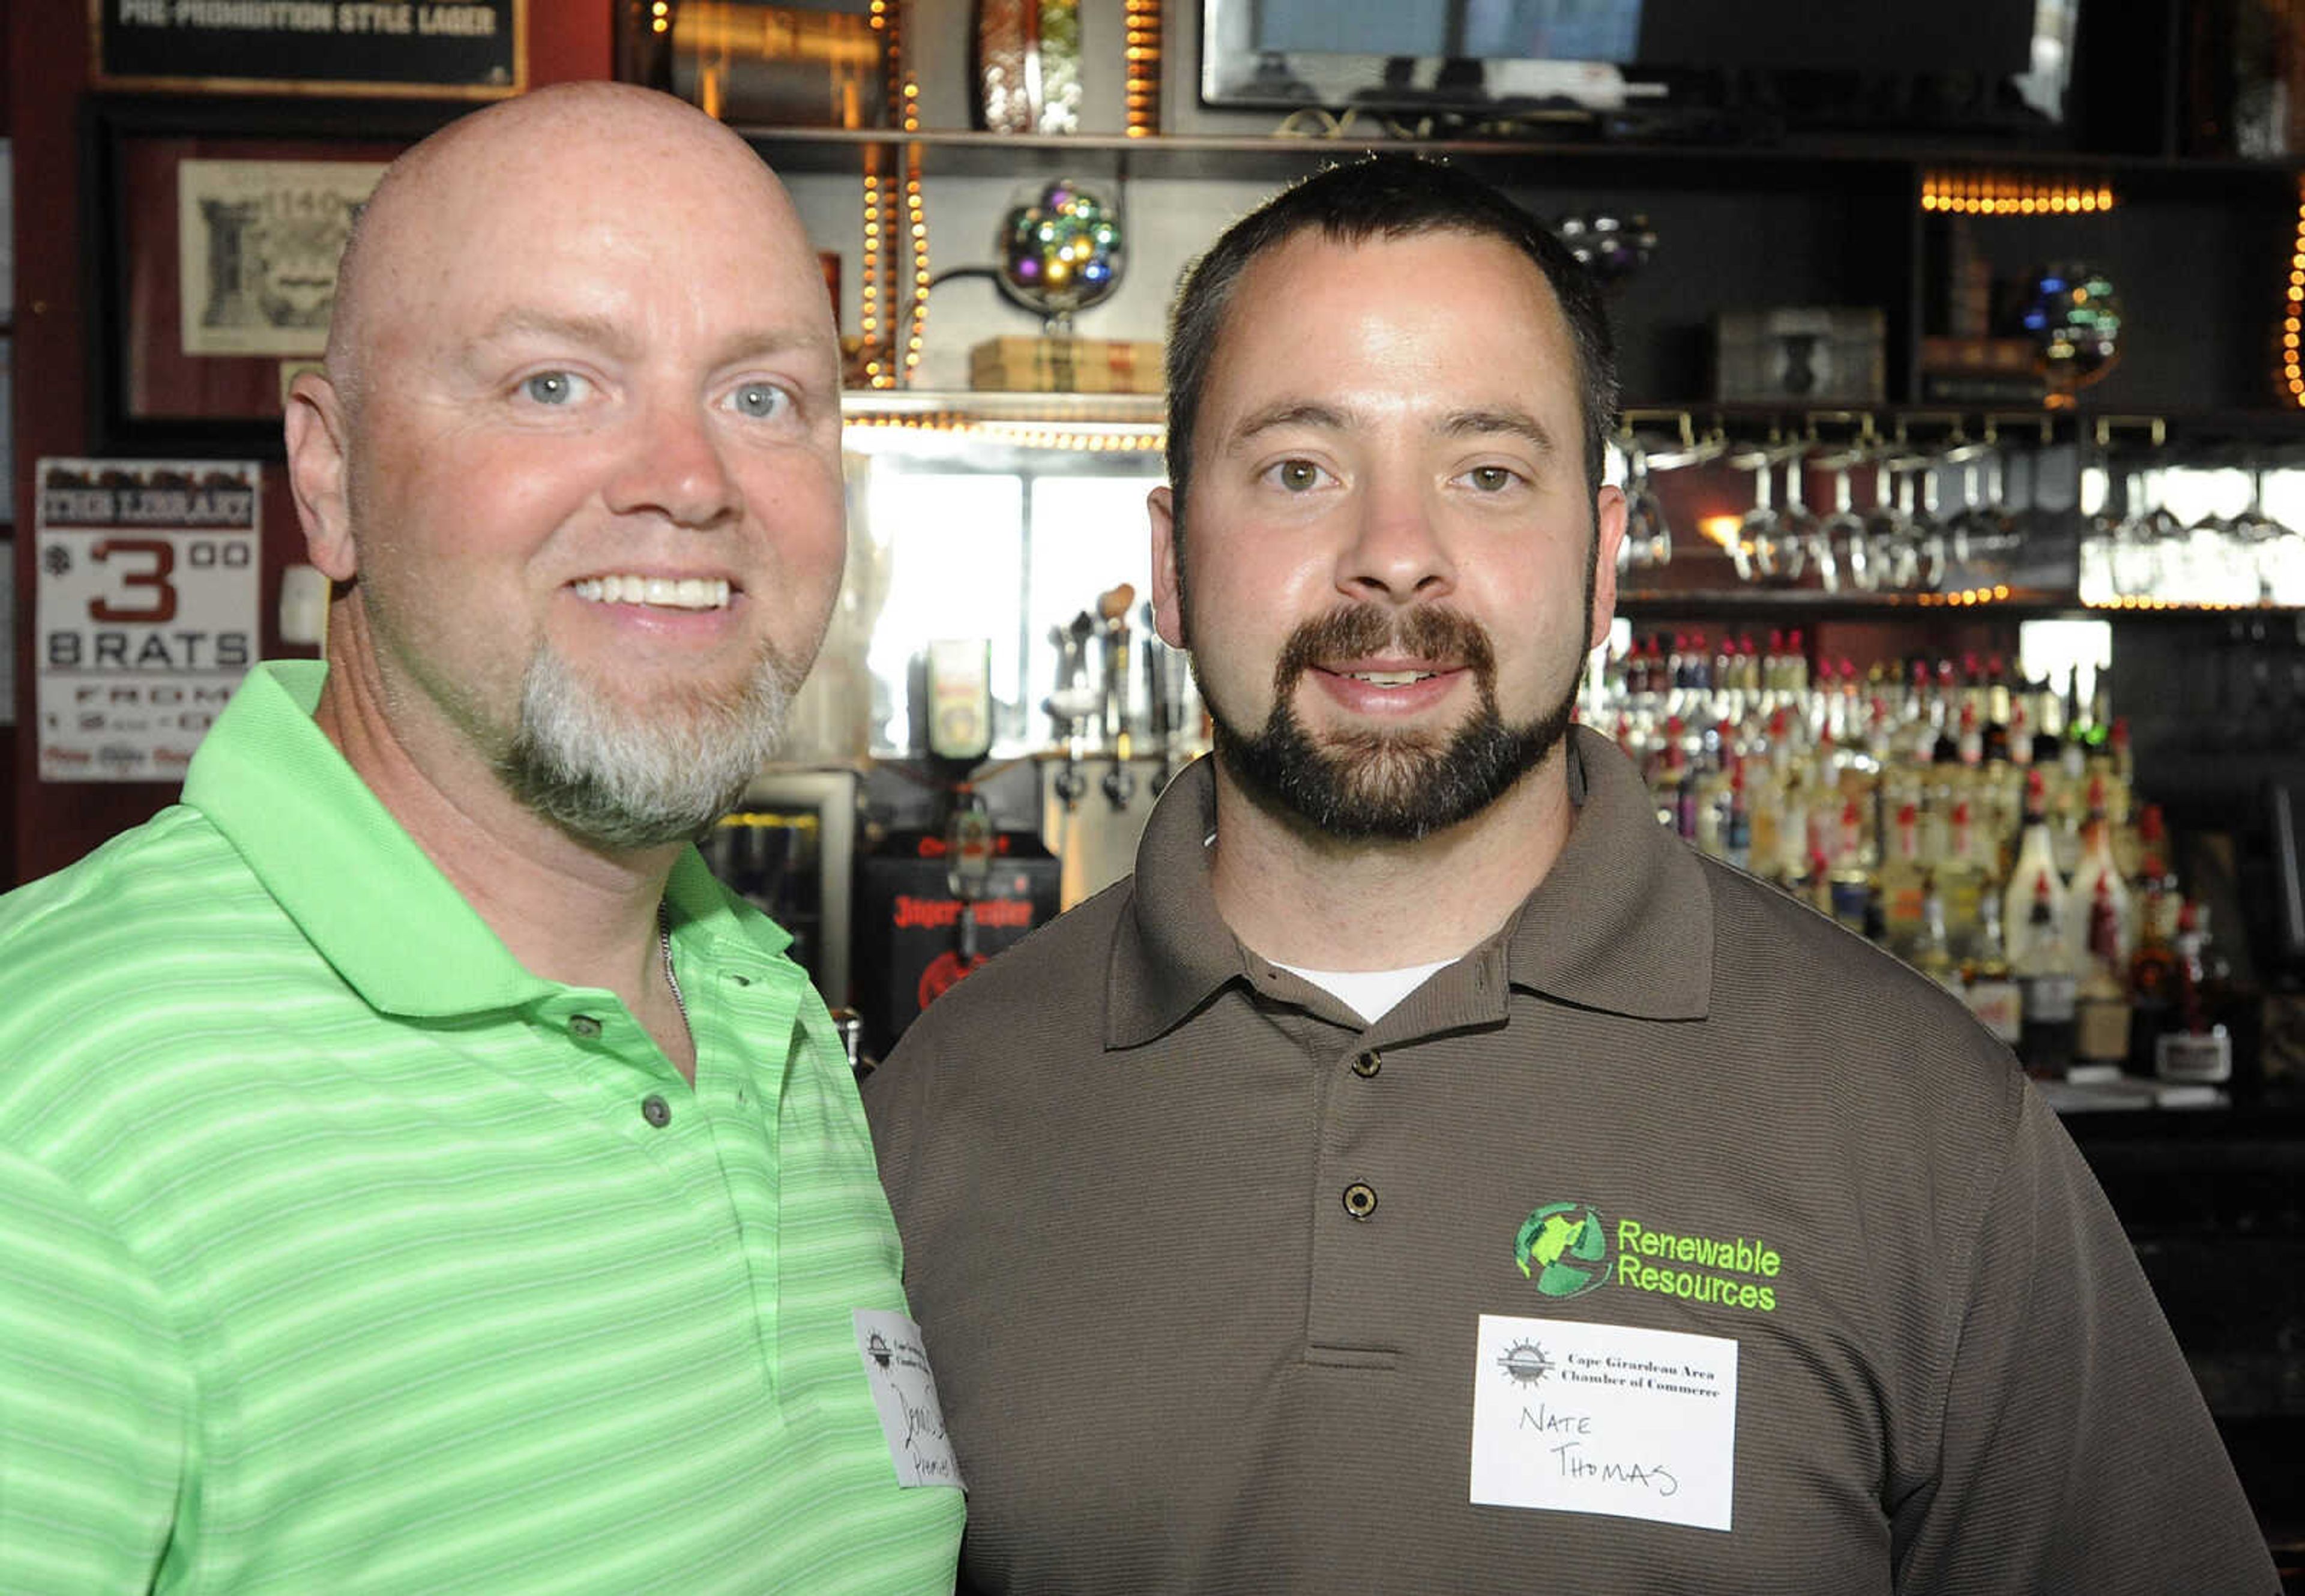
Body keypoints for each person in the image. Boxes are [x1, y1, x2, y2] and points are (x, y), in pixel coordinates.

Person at [862, 155, 2278, 1594]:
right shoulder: (938, 1109)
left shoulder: (1923, 1128)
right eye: (1300, 469)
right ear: (1171, 563)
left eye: (1487, 472)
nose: (1395, 558)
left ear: (1604, 560)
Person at [0, 83, 962, 1593]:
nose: (691, 479)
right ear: (330, 480)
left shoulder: (762, 1010)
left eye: (762, 396)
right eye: (554, 386)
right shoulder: (51, 1118)